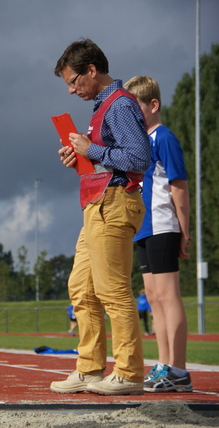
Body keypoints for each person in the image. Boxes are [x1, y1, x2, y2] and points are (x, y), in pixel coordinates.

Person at [49, 39, 151, 396]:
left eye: (74, 81)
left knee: (113, 291)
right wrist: (82, 158)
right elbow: (113, 157)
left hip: (114, 203)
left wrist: (89, 149)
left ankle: (129, 373)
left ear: (92, 70)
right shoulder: (103, 106)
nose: (71, 89)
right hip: (97, 203)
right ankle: (90, 368)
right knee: (81, 287)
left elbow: (139, 157)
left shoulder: (119, 104)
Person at [124, 75, 193, 393]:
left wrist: (184, 230)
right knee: (153, 298)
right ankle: (164, 364)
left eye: (137, 109)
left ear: (153, 105)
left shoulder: (163, 137)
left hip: (164, 225)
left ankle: (178, 369)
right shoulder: (141, 143)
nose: (134, 118)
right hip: (144, 229)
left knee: (168, 296)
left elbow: (179, 186)